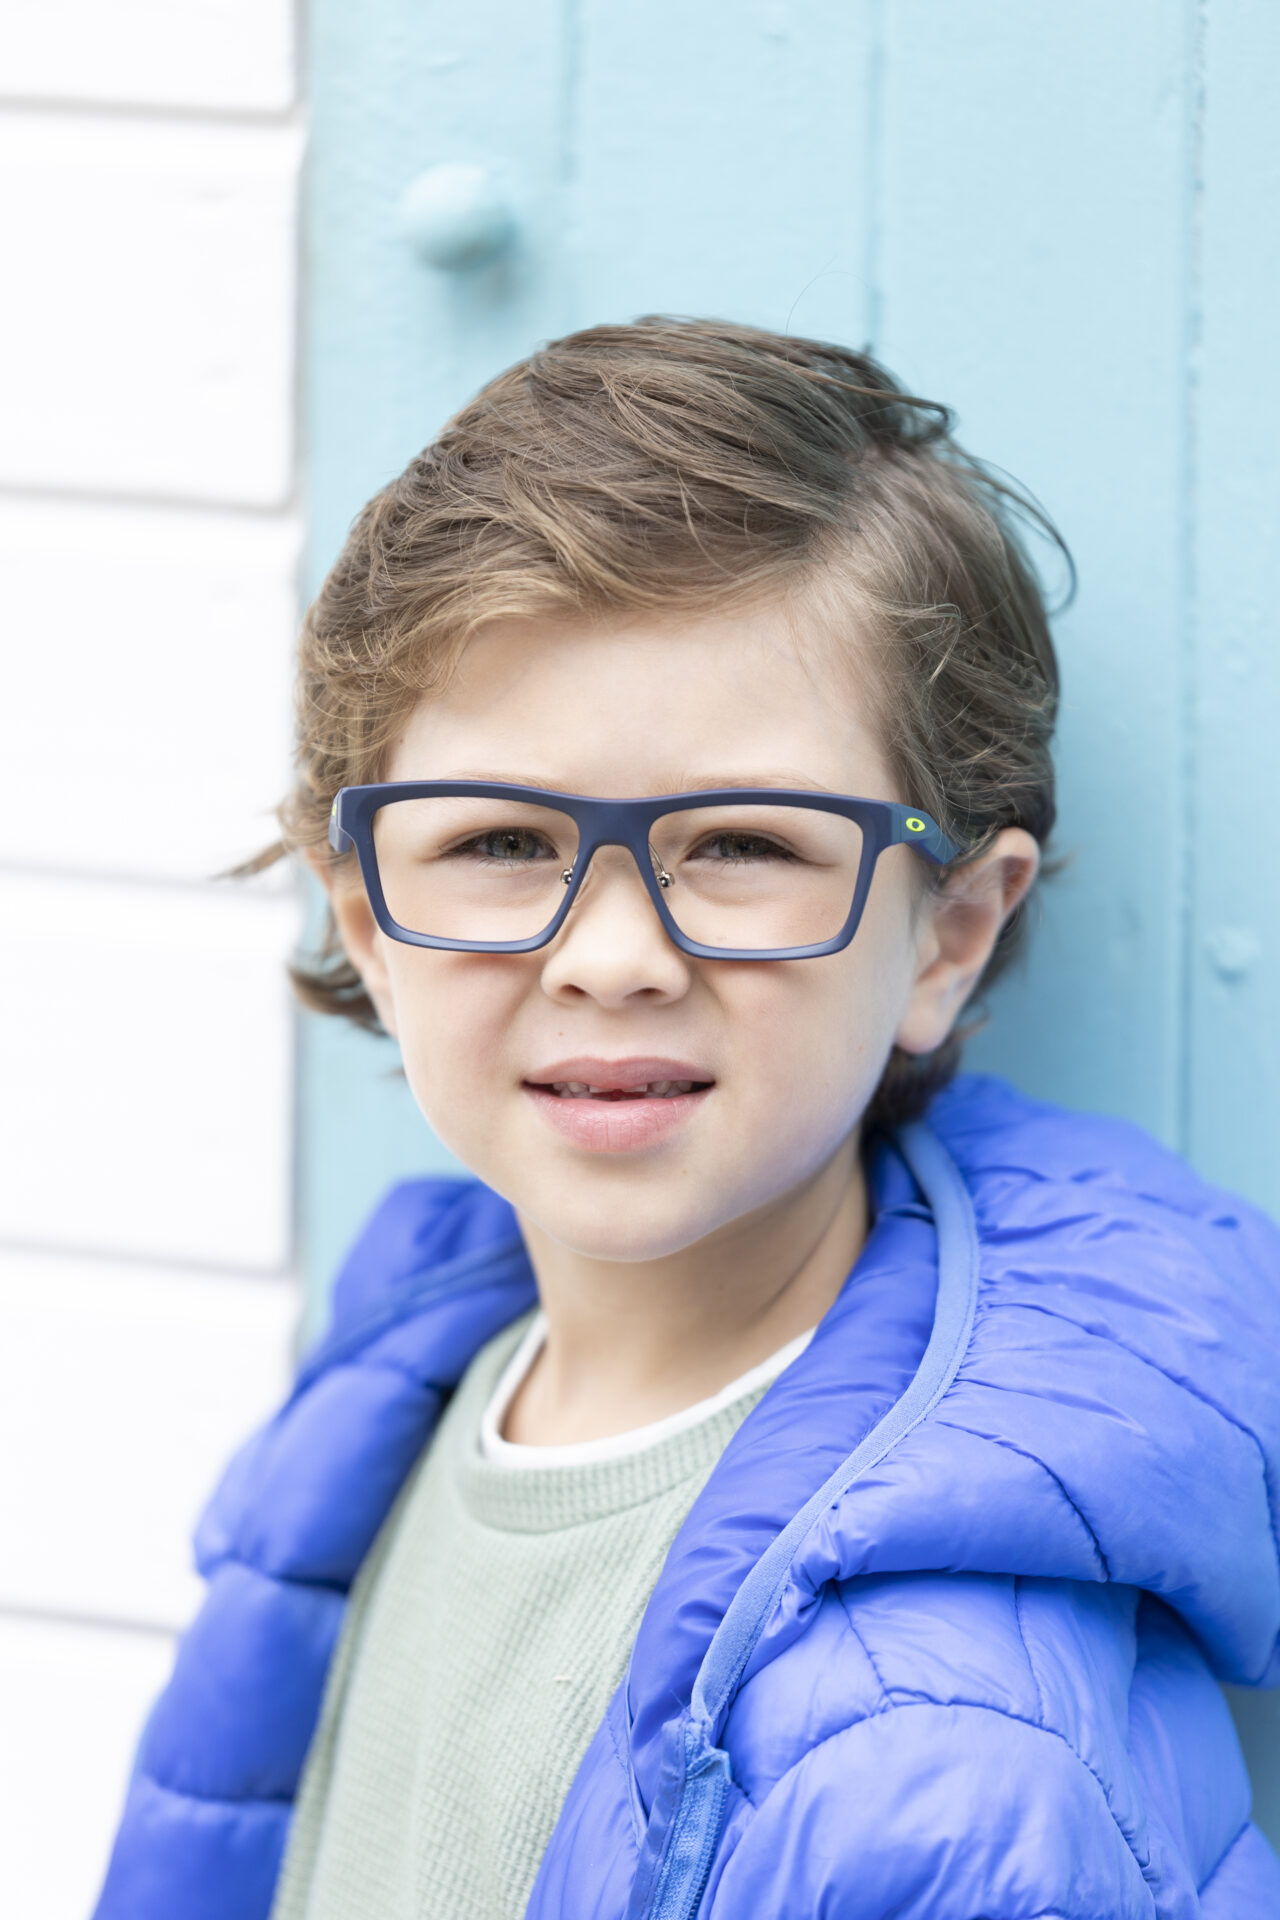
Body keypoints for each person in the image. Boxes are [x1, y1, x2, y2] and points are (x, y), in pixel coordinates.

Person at [94, 319, 1280, 1919]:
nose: (612, 959)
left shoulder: (940, 1748)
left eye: (741, 844)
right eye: (502, 842)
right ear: (365, 915)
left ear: (947, 934)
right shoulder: (404, 1374)